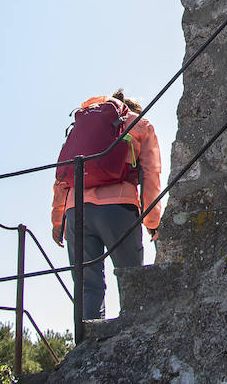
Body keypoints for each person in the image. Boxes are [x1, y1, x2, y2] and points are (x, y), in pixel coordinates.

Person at [50, 90, 163, 321]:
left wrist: (57, 220)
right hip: (119, 208)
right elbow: (151, 174)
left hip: (76, 210)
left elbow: (62, 177)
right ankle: (133, 335)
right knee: (131, 279)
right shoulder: (140, 124)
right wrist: (152, 221)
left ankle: (87, 343)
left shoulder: (82, 125)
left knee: (87, 285)